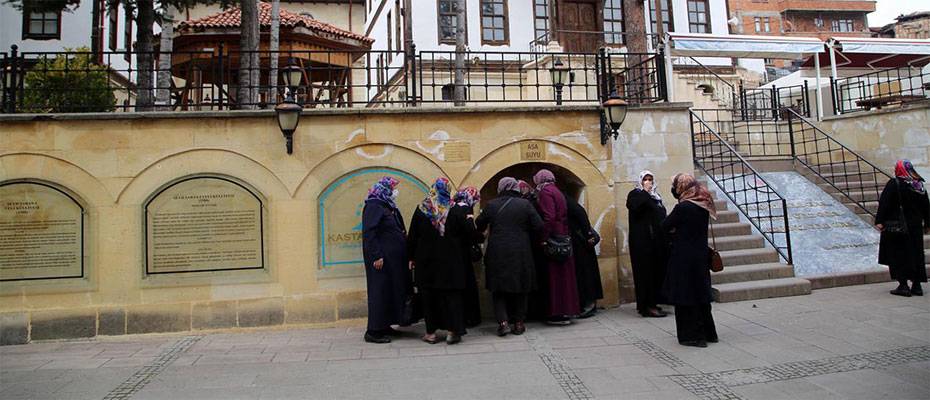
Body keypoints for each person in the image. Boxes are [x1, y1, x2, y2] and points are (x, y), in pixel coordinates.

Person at [407, 177, 473, 344]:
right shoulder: (455, 209)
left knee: (429, 297)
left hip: (426, 261)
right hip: (451, 261)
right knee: (451, 297)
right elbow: (467, 234)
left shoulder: (422, 209)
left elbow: (413, 235)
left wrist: (411, 257)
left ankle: (431, 333)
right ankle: (452, 332)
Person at [476, 177, 544, 336]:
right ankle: (519, 323)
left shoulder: (492, 205)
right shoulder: (525, 204)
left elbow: (479, 224)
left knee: (498, 289)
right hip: (521, 250)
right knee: (522, 287)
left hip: (497, 251)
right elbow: (539, 225)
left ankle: (503, 322)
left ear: (501, 188)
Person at [662, 173, 719, 348]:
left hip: (683, 257)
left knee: (686, 296)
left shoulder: (683, 207)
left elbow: (665, 226)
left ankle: (692, 336)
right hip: (700, 255)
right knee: (701, 294)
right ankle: (709, 333)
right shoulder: (704, 204)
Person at [361, 176, 410, 344]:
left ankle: (384, 325)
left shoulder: (387, 206)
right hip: (381, 260)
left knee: (389, 292)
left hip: (392, 260)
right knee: (379, 292)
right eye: (393, 187)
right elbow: (369, 233)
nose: (395, 191)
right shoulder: (374, 206)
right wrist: (376, 255)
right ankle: (373, 331)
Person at [876, 160, 930, 297]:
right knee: (916, 255)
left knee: (898, 255)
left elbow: (884, 202)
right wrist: (928, 224)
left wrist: (880, 221)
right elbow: (926, 207)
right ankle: (917, 286)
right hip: (915, 228)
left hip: (897, 227)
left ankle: (903, 285)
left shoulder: (895, 183)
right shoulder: (919, 185)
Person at [534, 169, 581, 325]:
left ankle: (558, 312)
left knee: (555, 278)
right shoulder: (557, 190)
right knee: (565, 277)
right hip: (563, 235)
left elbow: (549, 217)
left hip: (554, 238)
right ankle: (568, 310)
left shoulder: (545, 192)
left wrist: (544, 237)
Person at [626, 170, 669, 318]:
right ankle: (646, 306)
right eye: (646, 179)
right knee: (645, 274)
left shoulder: (655, 196)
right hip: (642, 242)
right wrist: (644, 191)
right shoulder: (636, 194)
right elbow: (635, 207)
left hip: (655, 242)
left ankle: (654, 303)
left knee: (655, 273)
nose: (649, 182)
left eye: (651, 179)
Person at [566, 195, 603, 318]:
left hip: (582, 244)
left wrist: (587, 234)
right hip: (579, 243)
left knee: (586, 274)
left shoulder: (568, 202)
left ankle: (589, 304)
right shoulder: (566, 200)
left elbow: (580, 214)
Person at [453, 186, 484, 327]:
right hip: (463, 253)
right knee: (468, 285)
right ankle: (470, 318)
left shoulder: (451, 207)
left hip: (453, 252)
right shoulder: (465, 209)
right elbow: (470, 230)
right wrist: (481, 237)